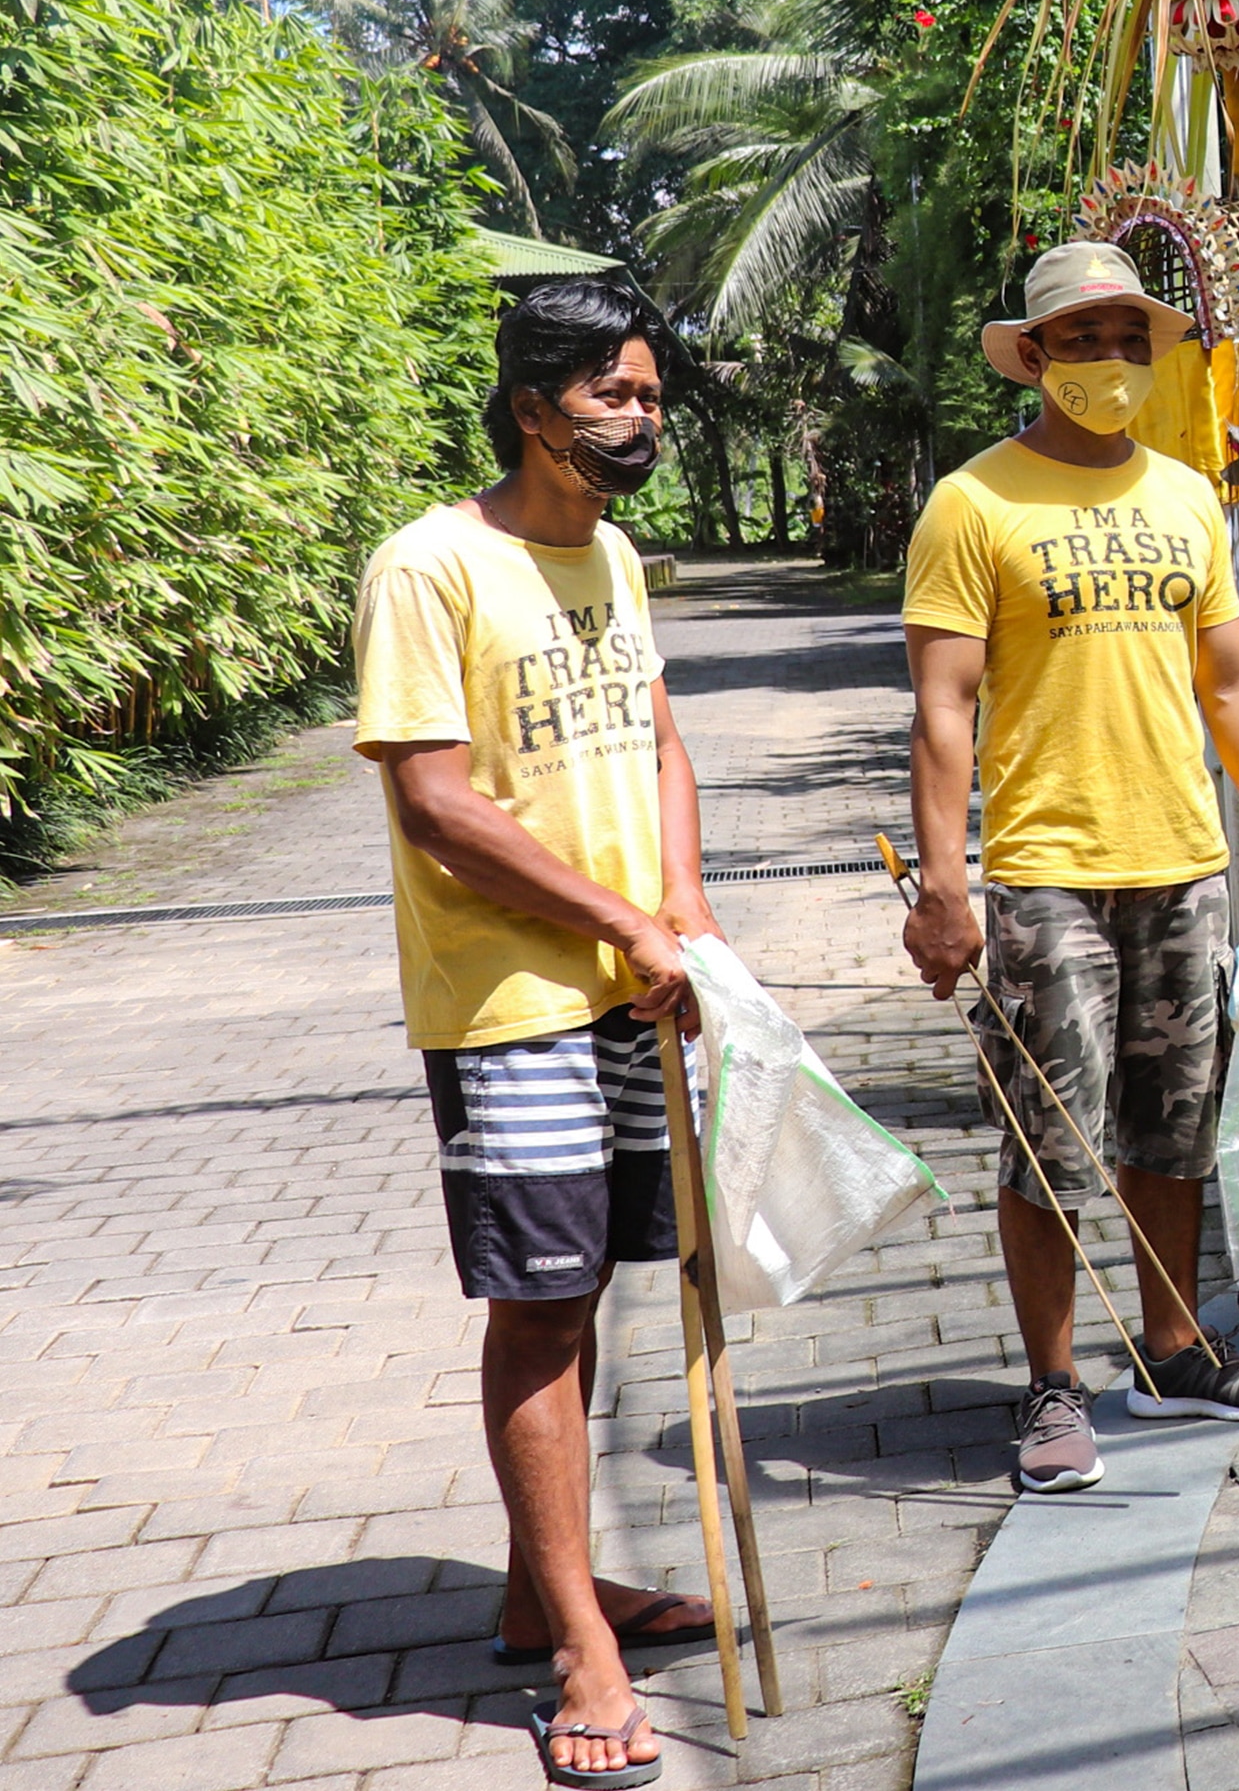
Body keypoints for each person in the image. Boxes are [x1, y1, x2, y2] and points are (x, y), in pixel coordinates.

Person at [356, 276, 719, 1790]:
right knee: (543, 1305)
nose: (638, 420)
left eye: (648, 396)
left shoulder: (617, 554)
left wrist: (680, 908)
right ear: (530, 403)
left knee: (605, 1278)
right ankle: (583, 1650)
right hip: (511, 1007)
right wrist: (616, 921)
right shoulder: (430, 565)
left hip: (633, 984)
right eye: (611, 397)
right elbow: (434, 798)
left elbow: (659, 738)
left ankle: (535, 1589)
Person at [899, 240, 1239, 1502]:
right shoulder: (976, 503)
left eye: (1131, 338)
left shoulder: (1184, 497)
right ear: (1035, 356)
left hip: (1182, 861)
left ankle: (1170, 1349)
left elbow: (1229, 684)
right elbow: (943, 708)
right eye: (1084, 339)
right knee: (1052, 1140)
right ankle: (1056, 1380)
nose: (1111, 361)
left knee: (1176, 1129)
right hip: (1046, 870)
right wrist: (947, 889)